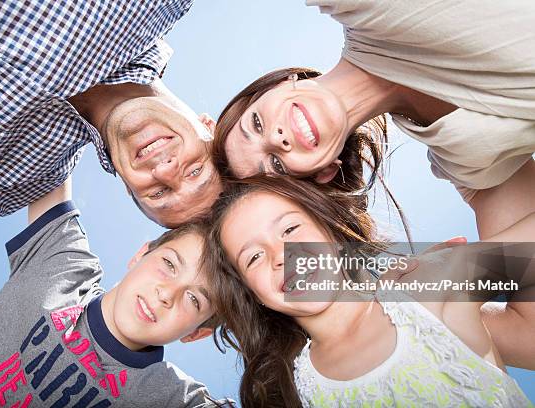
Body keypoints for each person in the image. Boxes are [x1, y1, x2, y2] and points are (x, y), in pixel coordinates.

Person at [0, 0, 222, 366]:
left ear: (128, 187)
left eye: (158, 193)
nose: (166, 170)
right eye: (196, 171)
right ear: (211, 127)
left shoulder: (20, 173)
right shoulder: (154, 8)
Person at [212, 0, 535, 240]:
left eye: (255, 124)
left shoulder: (361, 7)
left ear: (279, 84)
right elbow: (525, 320)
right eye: (276, 166)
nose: (275, 140)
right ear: (324, 173)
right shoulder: (467, 157)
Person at [204, 175, 533, 407]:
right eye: (254, 257)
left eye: (290, 229)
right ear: (251, 293)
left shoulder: (422, 287)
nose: (281, 256)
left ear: (330, 231)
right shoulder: (288, 390)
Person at [0, 178, 232, 407]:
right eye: (169, 264)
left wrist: (283, 232)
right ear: (140, 254)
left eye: (194, 299)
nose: (168, 293)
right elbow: (53, 143)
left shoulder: (169, 397)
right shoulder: (64, 263)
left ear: (197, 333)